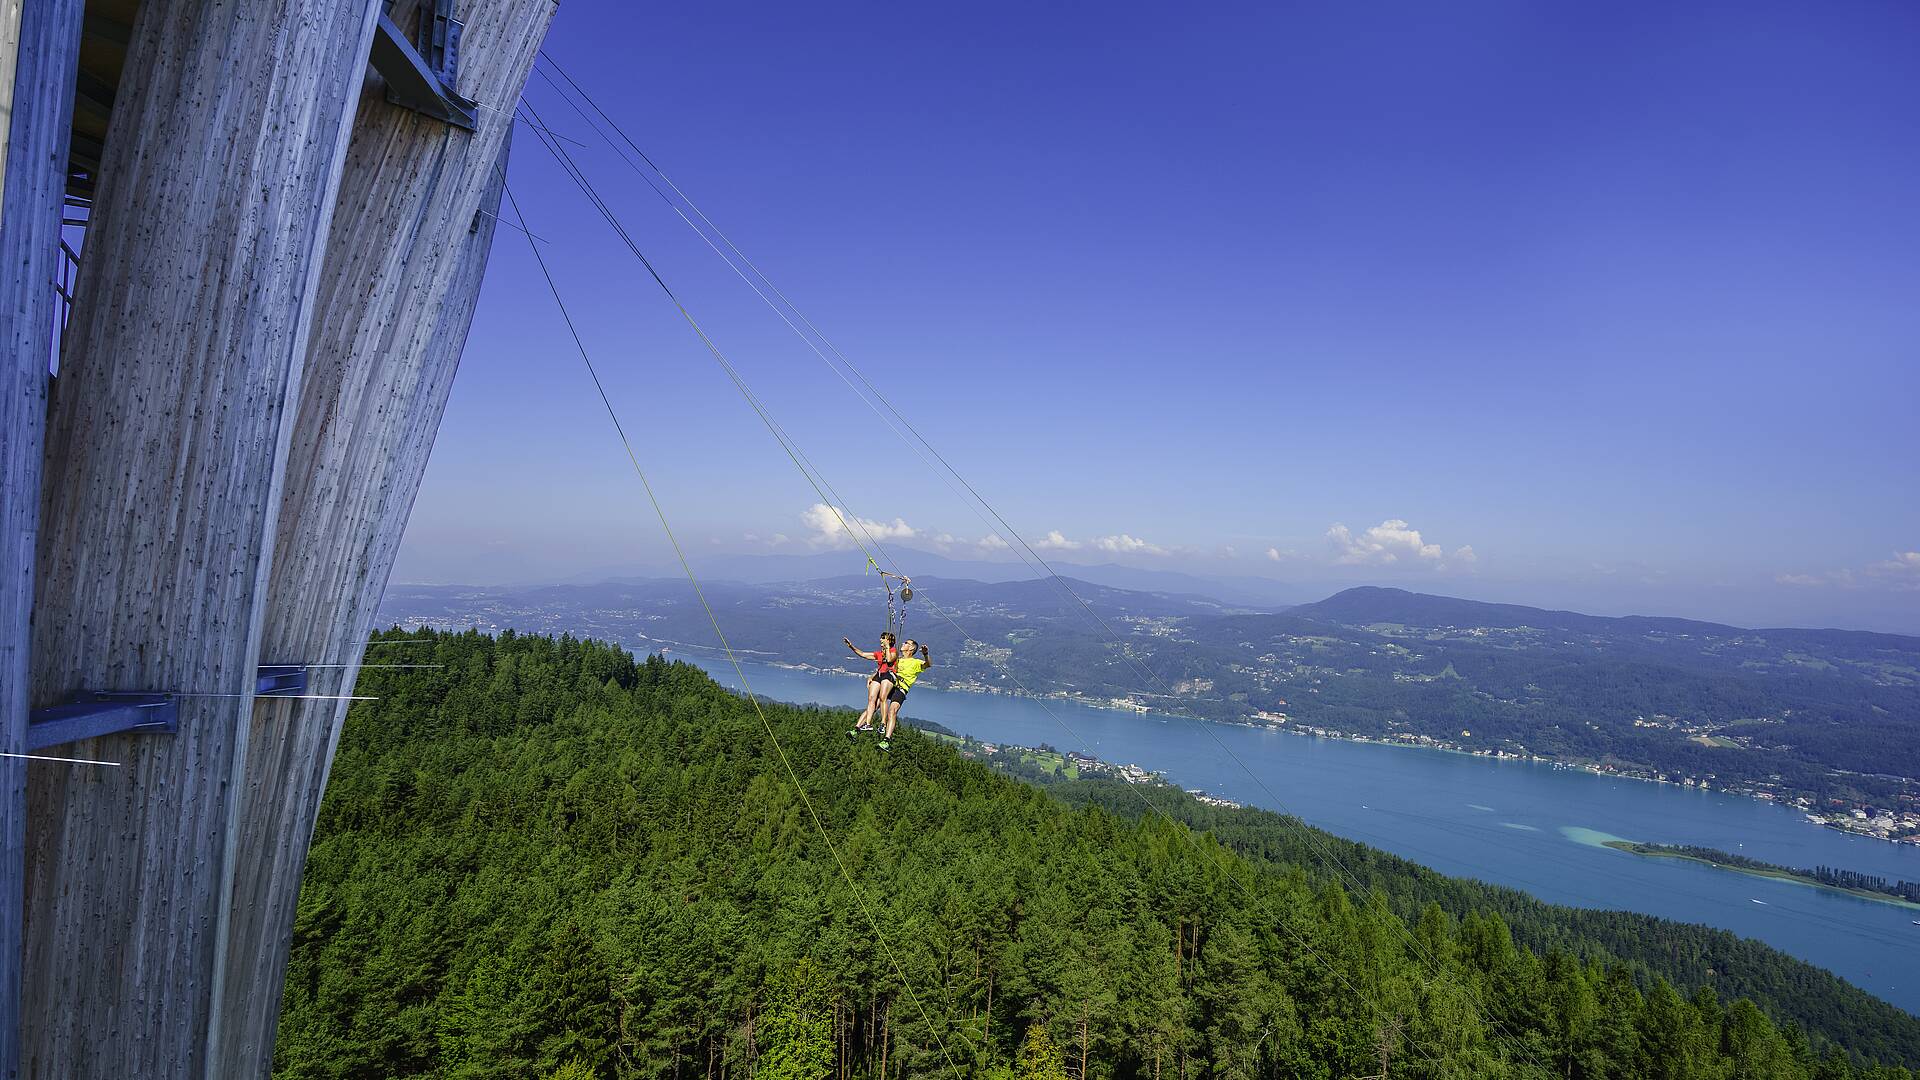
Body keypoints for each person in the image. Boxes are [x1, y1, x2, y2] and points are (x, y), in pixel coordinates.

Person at [877, 639, 930, 751]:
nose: (903, 643)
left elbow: (927, 665)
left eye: (906, 643)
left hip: (901, 688)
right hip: (891, 683)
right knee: (877, 702)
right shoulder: (898, 660)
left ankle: (886, 740)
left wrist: (925, 654)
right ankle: (866, 725)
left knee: (892, 711)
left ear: (911, 648)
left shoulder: (915, 662)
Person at [843, 631, 897, 735]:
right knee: (872, 698)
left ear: (889, 640)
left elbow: (890, 659)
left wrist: (887, 647)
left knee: (882, 698)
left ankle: (883, 723)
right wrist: (851, 647)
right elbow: (863, 654)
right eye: (881, 638)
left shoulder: (894, 651)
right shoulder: (879, 654)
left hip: (889, 674)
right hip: (879, 675)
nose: (881, 640)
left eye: (883, 638)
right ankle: (867, 724)